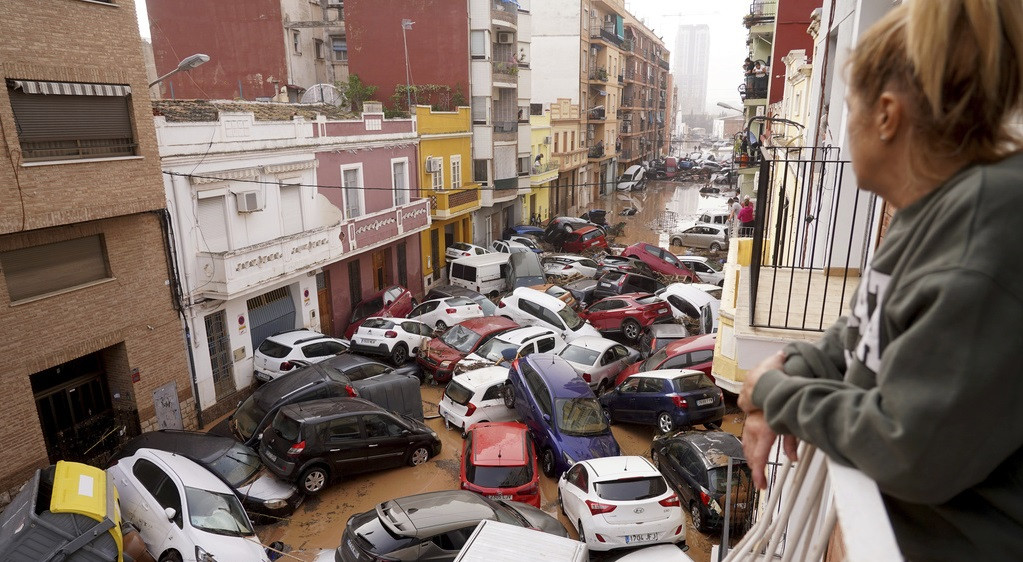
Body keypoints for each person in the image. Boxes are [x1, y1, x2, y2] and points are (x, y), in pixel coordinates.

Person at [737, 1, 1023, 559]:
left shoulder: (983, 235)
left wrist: (775, 394)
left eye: (849, 108)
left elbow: (911, 448)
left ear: (887, 116)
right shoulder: (929, 212)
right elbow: (860, 332)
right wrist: (794, 366)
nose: (844, 127)